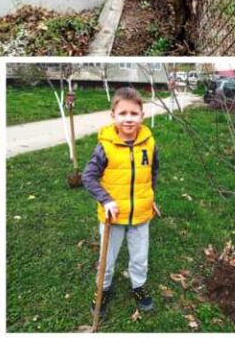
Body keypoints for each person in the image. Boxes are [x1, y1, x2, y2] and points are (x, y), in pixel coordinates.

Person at [82, 87, 159, 318]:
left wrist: (151, 197)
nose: (128, 119)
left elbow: (152, 173)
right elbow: (88, 177)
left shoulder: (149, 143)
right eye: (123, 113)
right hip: (112, 218)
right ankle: (102, 290)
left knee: (139, 258)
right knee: (107, 260)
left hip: (141, 216)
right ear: (113, 116)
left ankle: (138, 287)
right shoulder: (105, 146)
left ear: (142, 116)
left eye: (134, 113)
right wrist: (105, 200)